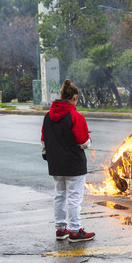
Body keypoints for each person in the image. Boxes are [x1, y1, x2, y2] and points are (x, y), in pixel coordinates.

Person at [41, 79, 95, 243]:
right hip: (74, 164)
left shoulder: (47, 116)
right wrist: (89, 140)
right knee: (74, 198)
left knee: (59, 195)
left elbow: (43, 139)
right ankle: (75, 231)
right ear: (75, 97)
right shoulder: (75, 116)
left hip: (55, 163)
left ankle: (60, 229)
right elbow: (83, 142)